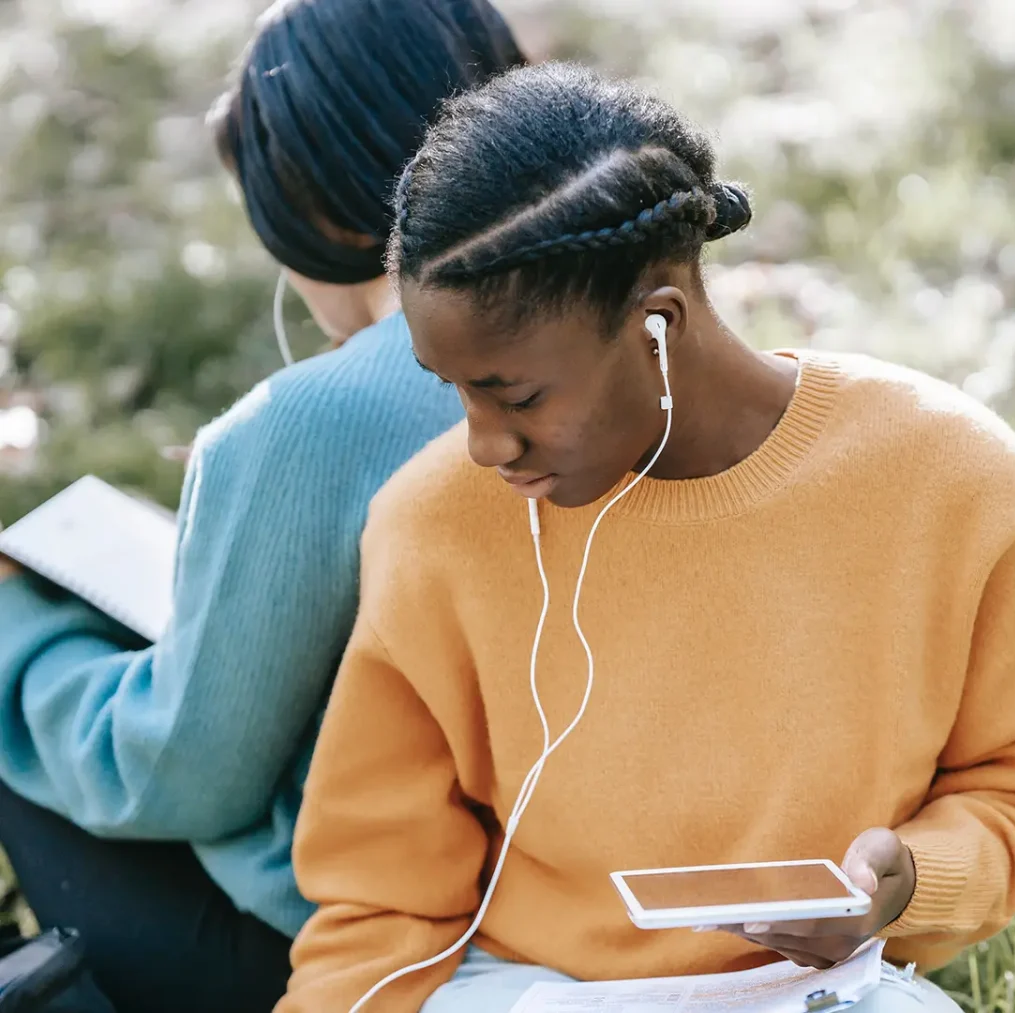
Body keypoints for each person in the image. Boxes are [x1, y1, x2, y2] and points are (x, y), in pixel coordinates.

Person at [277, 63, 1015, 1013]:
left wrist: (908, 879)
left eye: (517, 394)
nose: (484, 441)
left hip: (823, 993)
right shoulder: (433, 524)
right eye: (451, 388)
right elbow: (378, 893)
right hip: (530, 993)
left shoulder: (956, 479)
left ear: (657, 325)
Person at [0, 2, 526, 1010]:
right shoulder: (615, 336)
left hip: (357, 944)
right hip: (576, 900)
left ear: (312, 209)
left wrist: (20, 633)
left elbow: (180, 773)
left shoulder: (314, 416)